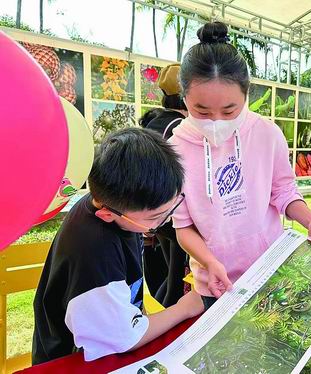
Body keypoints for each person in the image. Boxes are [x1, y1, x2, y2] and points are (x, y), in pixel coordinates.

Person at [170, 22, 311, 311]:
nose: (216, 121)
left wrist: (309, 219)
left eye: (229, 110)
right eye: (202, 111)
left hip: (272, 272)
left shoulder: (267, 133)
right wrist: (210, 262)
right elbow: (183, 227)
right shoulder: (175, 150)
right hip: (215, 285)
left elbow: (284, 192)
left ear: (247, 95)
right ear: (184, 98)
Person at [32, 128, 203, 364]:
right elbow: (124, 337)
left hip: (115, 329)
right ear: (107, 215)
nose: (163, 222)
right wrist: (185, 307)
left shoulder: (115, 205)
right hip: (75, 361)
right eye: (155, 218)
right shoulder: (93, 252)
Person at [139, 64, 190, 307]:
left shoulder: (155, 123)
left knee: (170, 272)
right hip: (174, 214)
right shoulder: (180, 128)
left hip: (154, 213)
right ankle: (168, 321)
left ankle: (161, 311)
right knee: (177, 278)